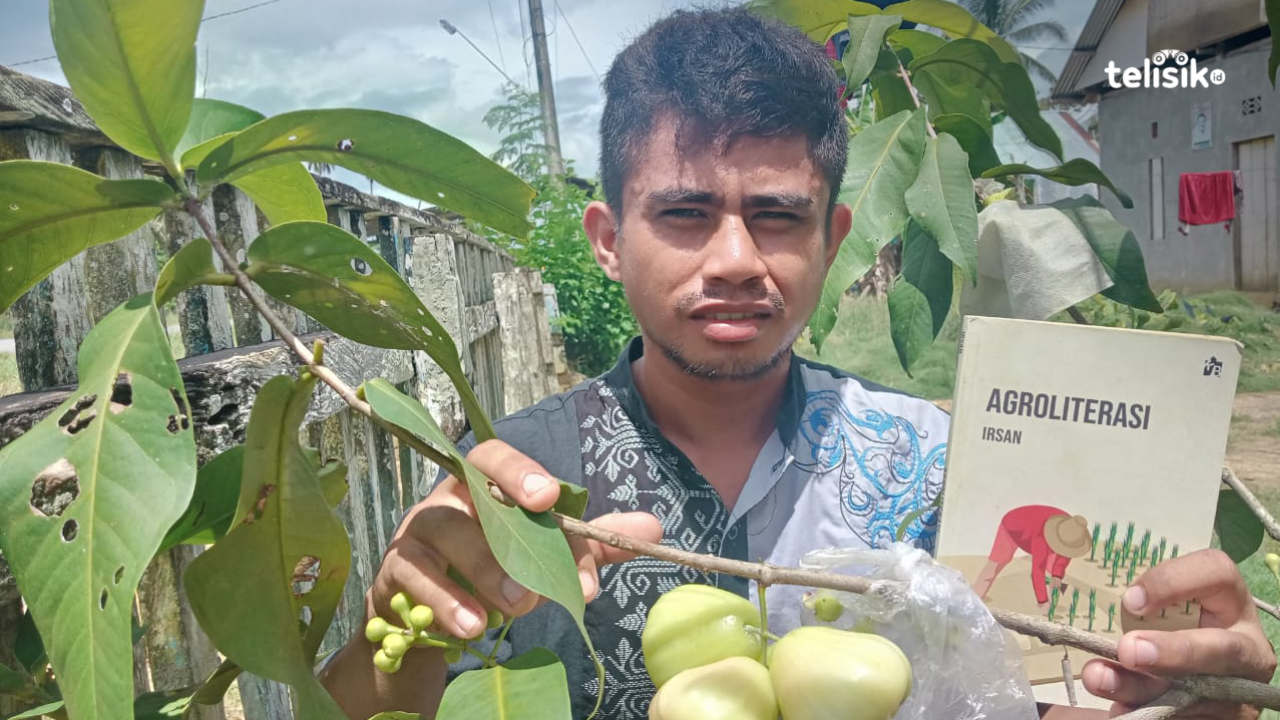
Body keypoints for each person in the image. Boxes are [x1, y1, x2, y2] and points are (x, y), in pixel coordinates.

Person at [320, 9, 1276, 719]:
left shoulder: (945, 470)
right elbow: (366, 702)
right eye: (685, 214)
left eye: (776, 216)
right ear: (608, 240)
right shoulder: (517, 491)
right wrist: (403, 619)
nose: (735, 258)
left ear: (833, 239)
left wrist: (1188, 693)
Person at [972, 506, 1091, 607]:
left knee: (1054, 571)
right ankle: (976, 596)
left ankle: (1052, 602)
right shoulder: (1042, 539)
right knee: (997, 564)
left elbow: (1064, 557)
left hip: (1036, 532)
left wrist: (1057, 575)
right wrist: (1042, 602)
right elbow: (1037, 571)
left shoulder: (1072, 530)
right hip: (1012, 526)